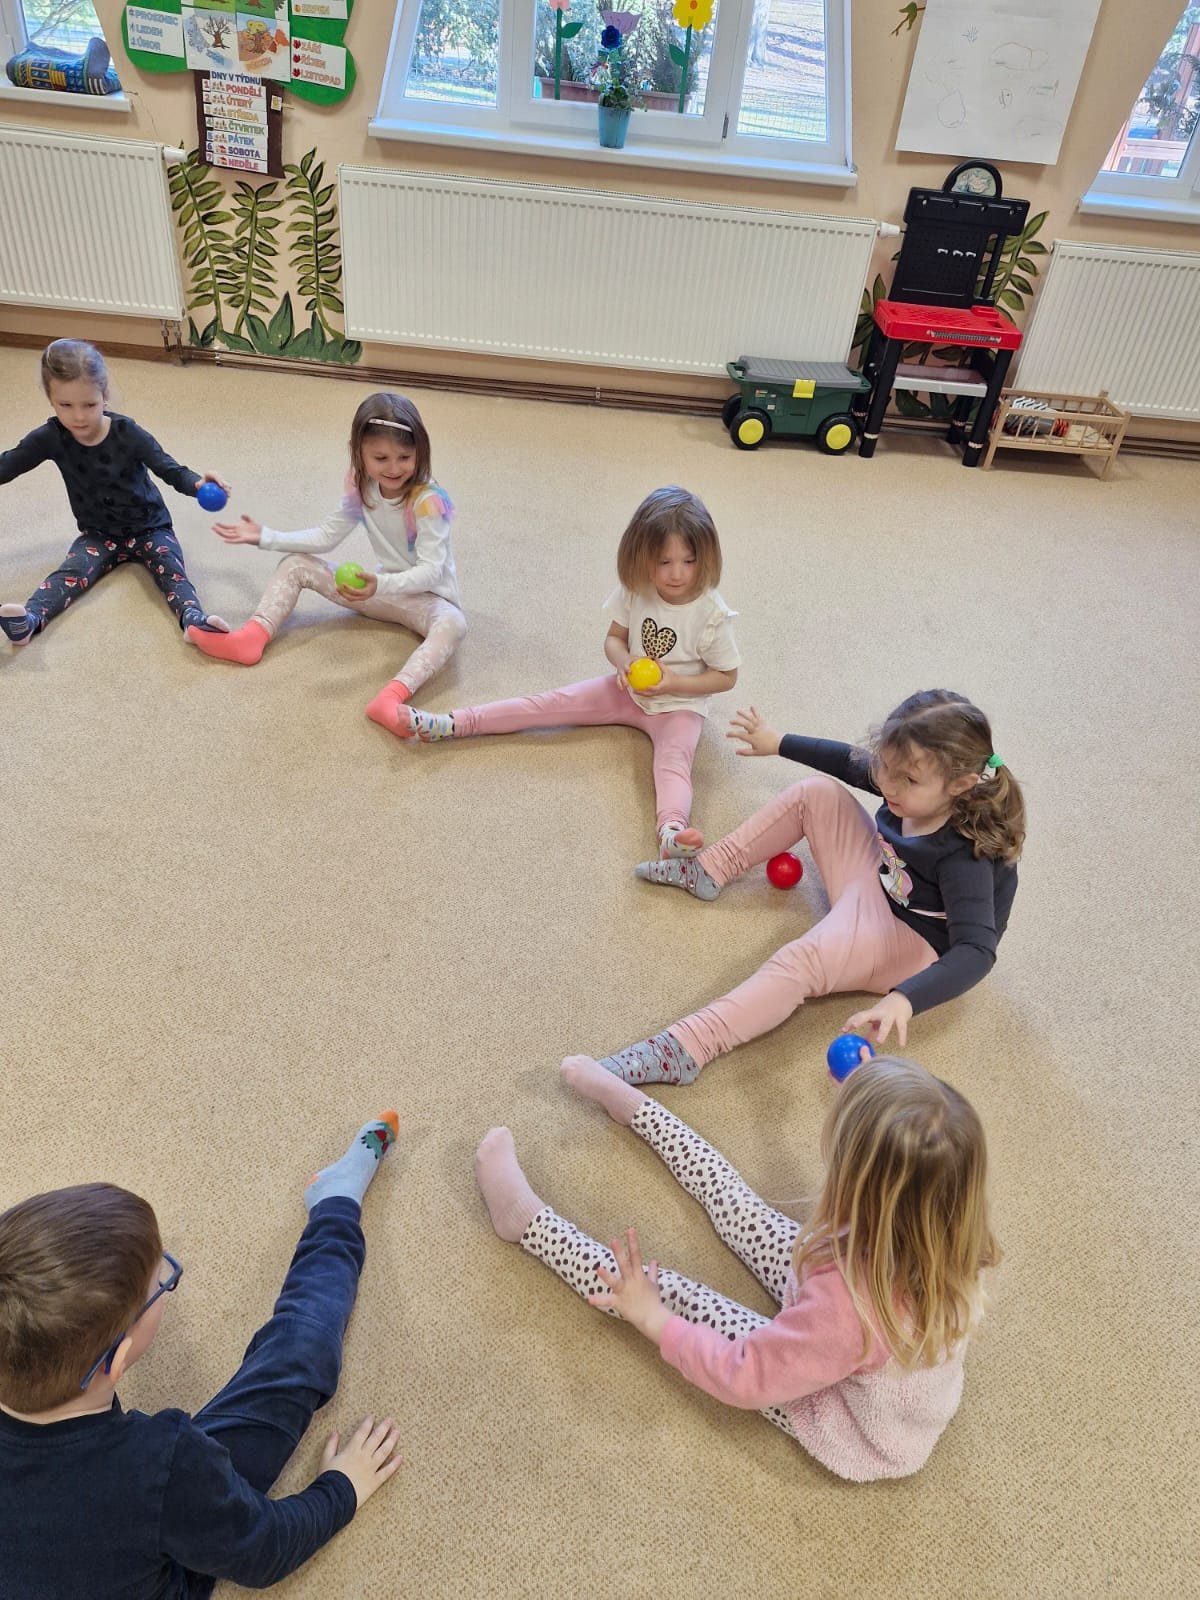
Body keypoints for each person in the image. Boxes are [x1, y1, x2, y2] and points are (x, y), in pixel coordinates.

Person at [476, 1052, 999, 1482]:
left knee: (664, 1293)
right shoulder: (942, 1230)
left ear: (862, 1186)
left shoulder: (846, 1312)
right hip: (862, 1298)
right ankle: (633, 1108)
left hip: (843, 1411)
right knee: (738, 1206)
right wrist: (867, 1092)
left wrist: (653, 1319)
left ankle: (525, 1223)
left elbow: (743, 1374)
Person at [0, 1114, 404, 1599]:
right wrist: (342, 1487)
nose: (166, 1282)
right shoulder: (163, 1464)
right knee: (299, 1355)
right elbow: (266, 1550)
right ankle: (336, 1207)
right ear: (118, 1357)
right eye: (161, 1282)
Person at [595, 689, 1024, 1084]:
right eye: (886, 766)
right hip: (883, 882)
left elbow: (977, 951)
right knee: (816, 793)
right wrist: (778, 741)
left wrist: (906, 999)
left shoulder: (964, 855)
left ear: (959, 786)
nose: (888, 784)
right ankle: (710, 869)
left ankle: (686, 1048)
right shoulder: (905, 781)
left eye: (907, 780)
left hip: (913, 943)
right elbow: (848, 762)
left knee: (802, 959)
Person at [398, 485, 740, 860]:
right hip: (627, 691)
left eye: (689, 561)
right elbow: (614, 640)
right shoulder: (637, 589)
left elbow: (726, 676)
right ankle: (453, 723)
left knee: (673, 765)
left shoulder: (711, 614)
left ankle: (671, 832)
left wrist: (676, 683)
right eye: (664, 562)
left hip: (680, 707)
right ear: (641, 557)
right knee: (548, 704)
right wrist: (624, 662)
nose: (677, 573)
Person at [188, 392, 465, 733]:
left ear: (420, 451)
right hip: (380, 592)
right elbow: (326, 537)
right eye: (381, 458)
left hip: (430, 601)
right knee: (296, 564)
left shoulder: (428, 501)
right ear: (359, 453)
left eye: (405, 457)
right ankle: (250, 637)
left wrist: (380, 584)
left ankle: (391, 698)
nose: (394, 468)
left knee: (454, 624)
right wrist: (265, 536)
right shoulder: (363, 487)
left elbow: (431, 572)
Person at [0, 340, 229, 644]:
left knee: (172, 570)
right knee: (71, 572)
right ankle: (29, 621)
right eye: (66, 405)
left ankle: (193, 620)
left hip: (151, 528)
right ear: (50, 399)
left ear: (104, 395)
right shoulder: (50, 437)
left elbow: (170, 469)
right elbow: (9, 465)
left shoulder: (128, 433)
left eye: (89, 405)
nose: (79, 417)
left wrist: (198, 483)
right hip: (98, 534)